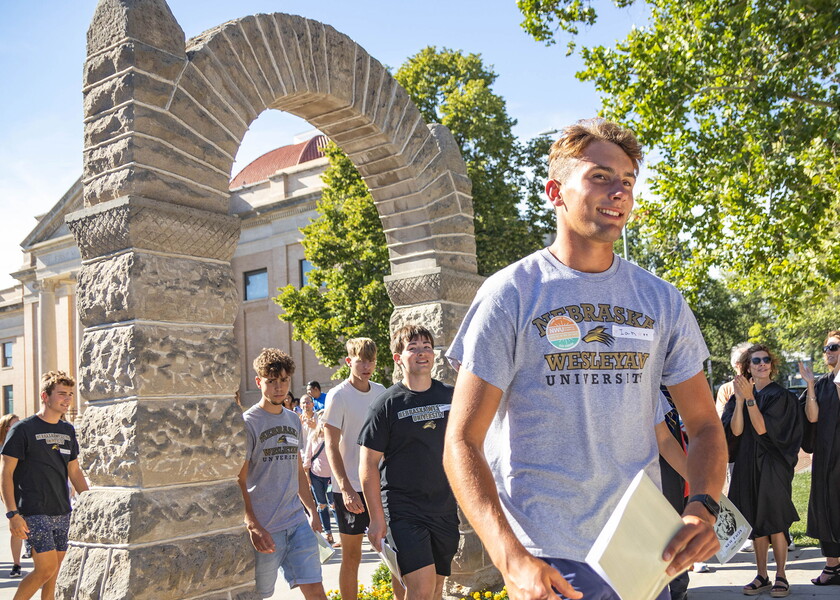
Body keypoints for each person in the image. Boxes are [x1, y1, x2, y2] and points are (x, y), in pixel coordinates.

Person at [444, 118, 726, 600]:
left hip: (642, 553)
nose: (619, 191)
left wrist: (702, 507)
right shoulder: (511, 293)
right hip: (548, 556)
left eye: (629, 182)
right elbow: (462, 442)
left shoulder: (661, 301)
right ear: (555, 191)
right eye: (600, 176)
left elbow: (703, 426)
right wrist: (511, 558)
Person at [359, 325, 458, 600]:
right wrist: (377, 518)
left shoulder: (451, 397)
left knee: (436, 590)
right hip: (404, 510)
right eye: (413, 348)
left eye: (427, 347)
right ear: (397, 357)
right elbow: (367, 465)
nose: (422, 353)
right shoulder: (386, 405)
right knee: (421, 590)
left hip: (444, 508)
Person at [238, 348, 327, 600]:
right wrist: (252, 524)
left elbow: (297, 469)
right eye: (271, 381)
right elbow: (239, 479)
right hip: (265, 527)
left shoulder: (293, 419)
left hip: (297, 523)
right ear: (259, 382)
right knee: (257, 595)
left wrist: (312, 511)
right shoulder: (248, 423)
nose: (279, 387)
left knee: (317, 591)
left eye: (284, 380)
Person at [722, 344, 802, 597]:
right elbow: (736, 431)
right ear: (747, 367)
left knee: (775, 520)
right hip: (747, 463)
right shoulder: (739, 395)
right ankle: (762, 575)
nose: (761, 364)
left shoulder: (781, 396)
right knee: (755, 520)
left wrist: (750, 399)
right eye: (755, 361)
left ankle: (781, 575)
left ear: (771, 364)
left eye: (766, 360)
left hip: (772, 464)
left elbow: (762, 429)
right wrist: (740, 400)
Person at [1, 371, 89, 600]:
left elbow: (74, 471)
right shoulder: (23, 429)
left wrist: (90, 501)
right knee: (45, 569)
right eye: (61, 394)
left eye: (70, 394)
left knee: (55, 574)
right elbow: (6, 473)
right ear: (45, 396)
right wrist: (12, 514)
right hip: (33, 510)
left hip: (62, 509)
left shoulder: (68, 430)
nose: (68, 399)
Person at [322, 338, 385, 600]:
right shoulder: (338, 396)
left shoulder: (382, 391)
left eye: (370, 360)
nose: (366, 365)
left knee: (393, 550)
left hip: (381, 487)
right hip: (349, 490)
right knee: (352, 556)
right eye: (361, 360)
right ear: (349, 361)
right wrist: (346, 488)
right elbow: (330, 445)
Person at [798, 331, 840, 586]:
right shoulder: (823, 383)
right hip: (827, 457)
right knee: (828, 507)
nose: (829, 352)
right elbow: (811, 417)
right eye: (827, 348)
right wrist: (811, 385)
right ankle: (833, 566)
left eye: (835, 347)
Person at [302, 421, 336, 546]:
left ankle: (343, 534)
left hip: (331, 477)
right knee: (321, 505)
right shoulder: (313, 437)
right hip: (316, 475)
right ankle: (328, 533)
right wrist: (307, 476)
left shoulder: (334, 436)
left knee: (334, 505)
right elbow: (308, 456)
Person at [0, 414, 21, 578]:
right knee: (15, 525)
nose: (16, 428)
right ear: (5, 428)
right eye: (12, 425)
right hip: (7, 488)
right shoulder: (2, 445)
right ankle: (16, 563)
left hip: (23, 487)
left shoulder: (23, 440)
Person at [716, 342, 751, 417]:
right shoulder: (725, 389)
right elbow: (721, 417)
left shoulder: (761, 385)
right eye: (747, 361)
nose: (752, 364)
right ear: (737, 364)